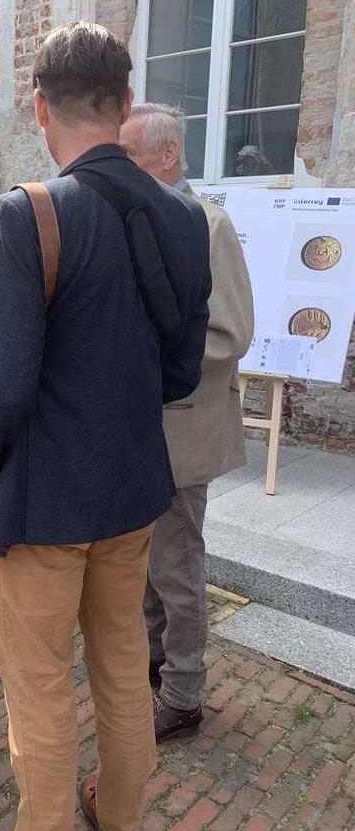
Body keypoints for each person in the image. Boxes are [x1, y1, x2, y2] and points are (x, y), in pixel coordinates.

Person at [0, 22, 212, 831]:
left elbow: (7, 379)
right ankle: (120, 825)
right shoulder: (184, 215)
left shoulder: (27, 212)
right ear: (124, 104)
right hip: (133, 491)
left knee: (41, 687)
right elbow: (180, 373)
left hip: (43, 502)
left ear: (39, 107)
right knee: (124, 665)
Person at [119, 103, 254, 742]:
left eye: (128, 153)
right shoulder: (139, 221)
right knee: (147, 559)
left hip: (182, 428)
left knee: (176, 564)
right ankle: (155, 660)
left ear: (167, 155)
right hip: (140, 427)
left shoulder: (208, 225)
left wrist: (142, 353)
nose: (118, 164)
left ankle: (183, 693)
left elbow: (230, 333)